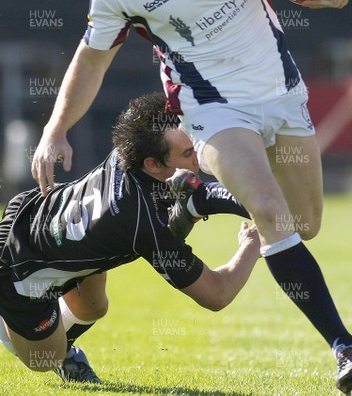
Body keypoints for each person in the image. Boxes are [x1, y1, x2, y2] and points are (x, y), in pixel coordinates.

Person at [30, 0, 352, 393]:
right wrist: (55, 128)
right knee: (271, 213)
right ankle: (347, 349)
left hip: (282, 91)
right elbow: (92, 60)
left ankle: (197, 196)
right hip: (213, 108)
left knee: (303, 226)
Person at [0, 92, 260, 383]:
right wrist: (254, 242)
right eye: (187, 154)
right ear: (152, 165)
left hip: (38, 209)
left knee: (94, 307)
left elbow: (188, 194)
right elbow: (217, 294)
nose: (198, 157)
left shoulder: (126, 151)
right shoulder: (141, 222)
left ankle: (184, 209)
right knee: (44, 359)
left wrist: (257, 200)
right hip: (21, 271)